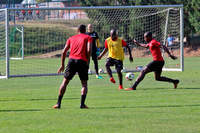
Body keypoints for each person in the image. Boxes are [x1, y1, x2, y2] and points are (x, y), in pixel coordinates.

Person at [53, 24, 92, 109]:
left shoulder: (71, 38)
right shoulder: (88, 38)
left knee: (65, 82)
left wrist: (62, 65)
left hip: (71, 61)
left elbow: (63, 52)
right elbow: (89, 50)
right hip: (82, 61)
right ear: (85, 31)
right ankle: (82, 104)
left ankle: (58, 104)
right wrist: (87, 61)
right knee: (84, 84)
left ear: (77, 30)